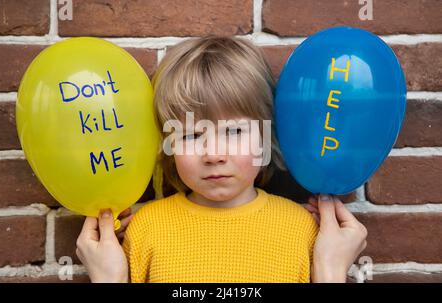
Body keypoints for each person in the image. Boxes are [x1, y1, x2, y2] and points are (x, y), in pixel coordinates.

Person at [76, 36, 367, 283]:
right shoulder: (146, 229)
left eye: (235, 131)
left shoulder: (303, 229)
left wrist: (331, 271)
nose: (213, 155)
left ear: (267, 136)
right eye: (190, 136)